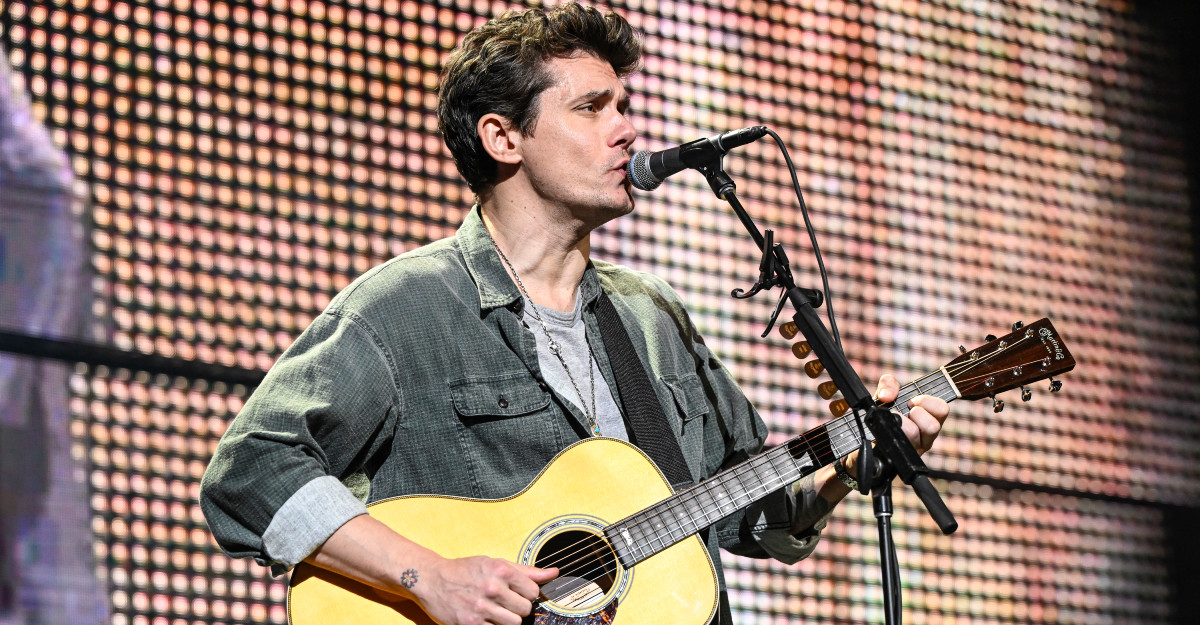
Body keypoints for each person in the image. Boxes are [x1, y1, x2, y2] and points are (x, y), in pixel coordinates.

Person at [199, 4, 949, 625]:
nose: (626, 128)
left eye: (624, 105)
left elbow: (747, 510)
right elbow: (249, 472)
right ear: (502, 137)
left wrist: (844, 470)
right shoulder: (406, 308)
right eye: (592, 107)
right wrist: (430, 576)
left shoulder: (651, 319)